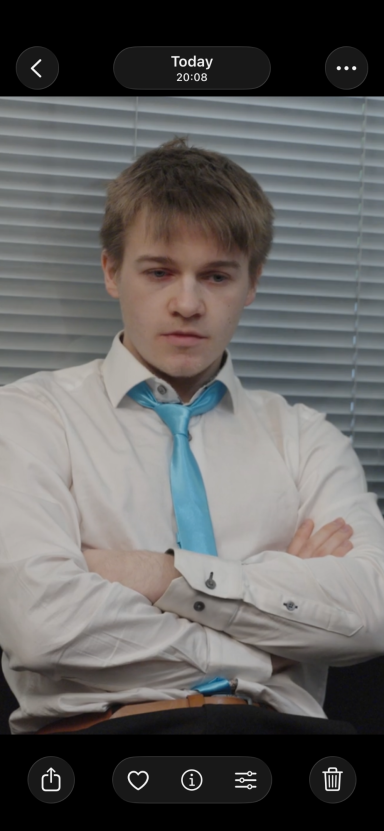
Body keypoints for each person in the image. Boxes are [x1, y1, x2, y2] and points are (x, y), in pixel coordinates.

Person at [1, 137, 384, 736]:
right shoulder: (27, 418)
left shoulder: (306, 438)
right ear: (110, 271)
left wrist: (157, 576)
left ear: (251, 283)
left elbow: (369, 612)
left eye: (216, 276)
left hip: (285, 734)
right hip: (104, 733)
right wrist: (269, 637)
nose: (187, 303)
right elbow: (42, 626)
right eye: (159, 271)